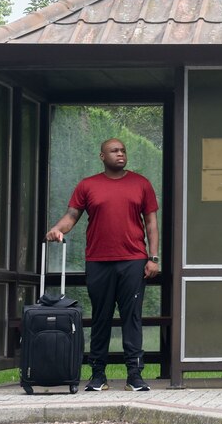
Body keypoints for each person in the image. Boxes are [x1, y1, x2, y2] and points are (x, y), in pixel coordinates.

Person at [46, 138, 160, 392]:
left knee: (132, 318)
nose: (120, 154)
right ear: (102, 156)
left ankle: (135, 375)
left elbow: (151, 223)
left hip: (133, 261)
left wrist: (153, 258)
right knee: (101, 317)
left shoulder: (141, 184)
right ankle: (98, 375)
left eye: (123, 150)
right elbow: (71, 216)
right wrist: (56, 229)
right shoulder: (88, 185)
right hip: (98, 261)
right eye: (114, 151)